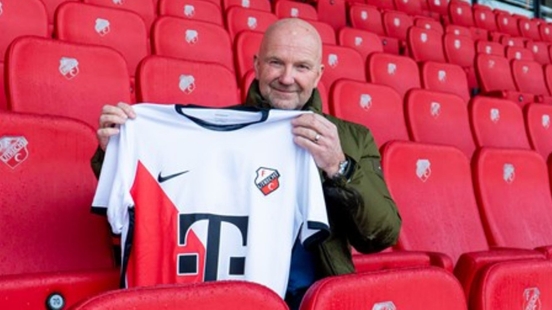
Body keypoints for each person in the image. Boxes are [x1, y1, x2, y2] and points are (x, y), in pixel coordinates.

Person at [91, 18, 401, 310]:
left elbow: (382, 235)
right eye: (276, 62)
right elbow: (148, 202)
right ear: (256, 65)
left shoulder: (351, 138)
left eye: (302, 67)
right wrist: (116, 150)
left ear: (319, 74)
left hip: (315, 296)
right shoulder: (218, 132)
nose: (287, 78)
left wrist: (339, 167)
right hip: (231, 293)